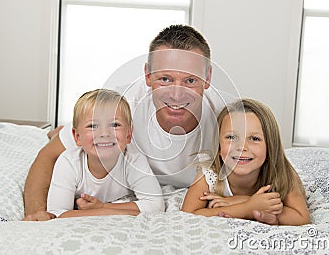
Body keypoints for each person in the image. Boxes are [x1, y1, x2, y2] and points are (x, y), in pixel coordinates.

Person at [23, 24, 277, 224]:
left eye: (190, 81)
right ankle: (58, 130)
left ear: (208, 78)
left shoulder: (230, 117)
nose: (177, 96)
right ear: (147, 75)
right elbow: (48, 156)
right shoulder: (120, 107)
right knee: (62, 138)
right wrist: (38, 215)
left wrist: (245, 203)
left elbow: (269, 166)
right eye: (165, 79)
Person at [181, 99, 311, 225]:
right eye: (231, 137)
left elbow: (302, 217)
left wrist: (243, 202)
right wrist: (248, 208)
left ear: (270, 147)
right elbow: (188, 214)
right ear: (218, 146)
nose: (242, 147)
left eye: (254, 138)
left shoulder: (281, 173)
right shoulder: (210, 174)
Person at [45, 88, 164, 219]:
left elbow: (155, 205)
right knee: (54, 138)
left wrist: (102, 207)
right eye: (93, 126)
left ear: (129, 135)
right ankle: (55, 134)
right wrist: (115, 211)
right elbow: (57, 213)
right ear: (77, 137)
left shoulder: (134, 160)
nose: (104, 134)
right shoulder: (68, 162)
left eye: (114, 124)